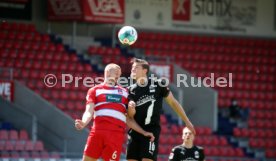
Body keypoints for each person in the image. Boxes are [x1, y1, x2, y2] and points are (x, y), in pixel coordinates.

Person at [75, 63, 155, 161]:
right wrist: (83, 122)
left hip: (116, 135)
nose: (118, 75)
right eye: (116, 72)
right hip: (97, 132)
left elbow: (128, 118)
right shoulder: (94, 90)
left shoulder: (125, 92)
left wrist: (143, 131)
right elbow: (89, 111)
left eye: (120, 74)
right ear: (107, 72)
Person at [126, 58, 195, 161]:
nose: (133, 70)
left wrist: (187, 121)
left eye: (136, 67)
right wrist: (131, 111)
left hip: (151, 132)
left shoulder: (158, 84)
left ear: (145, 70)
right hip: (135, 132)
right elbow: (129, 117)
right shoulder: (129, 90)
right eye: (132, 68)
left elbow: (173, 102)